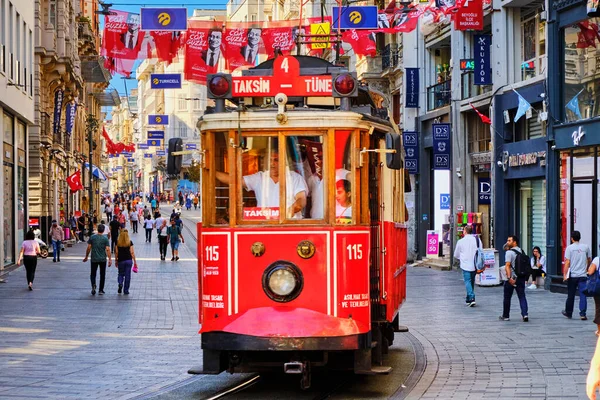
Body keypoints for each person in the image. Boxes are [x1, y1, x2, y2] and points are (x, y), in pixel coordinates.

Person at [215, 147, 307, 219]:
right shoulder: (259, 177)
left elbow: (301, 200)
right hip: (264, 225)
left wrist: (289, 212)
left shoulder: (295, 178)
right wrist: (211, 170)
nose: (272, 163)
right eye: (270, 160)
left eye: (276, 160)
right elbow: (233, 181)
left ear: (284, 161)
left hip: (290, 226)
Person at [562, 230, 592, 320]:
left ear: (572, 238)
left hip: (573, 275)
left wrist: (564, 274)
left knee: (571, 295)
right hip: (583, 275)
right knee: (583, 294)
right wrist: (587, 268)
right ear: (579, 238)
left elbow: (567, 262)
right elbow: (589, 259)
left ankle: (569, 312)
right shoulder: (585, 247)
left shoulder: (569, 248)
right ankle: (582, 313)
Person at [499, 235, 529, 322]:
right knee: (522, 296)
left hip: (512, 277)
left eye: (509, 241)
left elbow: (507, 266)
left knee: (507, 297)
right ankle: (525, 314)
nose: (507, 242)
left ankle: (506, 315)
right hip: (521, 277)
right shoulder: (521, 251)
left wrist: (509, 278)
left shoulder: (509, 253)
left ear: (514, 242)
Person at [453, 225, 482, 307]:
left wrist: (461, 257)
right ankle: (468, 298)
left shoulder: (460, 241)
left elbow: (456, 254)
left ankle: (472, 297)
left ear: (465, 231)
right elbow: (481, 250)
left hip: (465, 264)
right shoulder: (477, 240)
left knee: (467, 281)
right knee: (471, 281)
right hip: (475, 264)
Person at [83, 224, 111, 296]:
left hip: (94, 258)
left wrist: (86, 256)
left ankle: (93, 285)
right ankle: (101, 290)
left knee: (93, 273)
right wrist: (110, 259)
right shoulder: (105, 239)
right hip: (102, 259)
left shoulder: (92, 237)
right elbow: (107, 249)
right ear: (103, 230)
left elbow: (89, 247)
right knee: (102, 274)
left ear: (98, 229)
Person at [114, 229, 137, 295]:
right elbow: (132, 252)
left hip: (121, 260)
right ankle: (126, 290)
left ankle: (120, 283)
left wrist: (116, 260)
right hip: (128, 260)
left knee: (120, 273)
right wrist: (135, 262)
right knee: (128, 275)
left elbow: (116, 252)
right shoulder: (129, 242)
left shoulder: (117, 242)